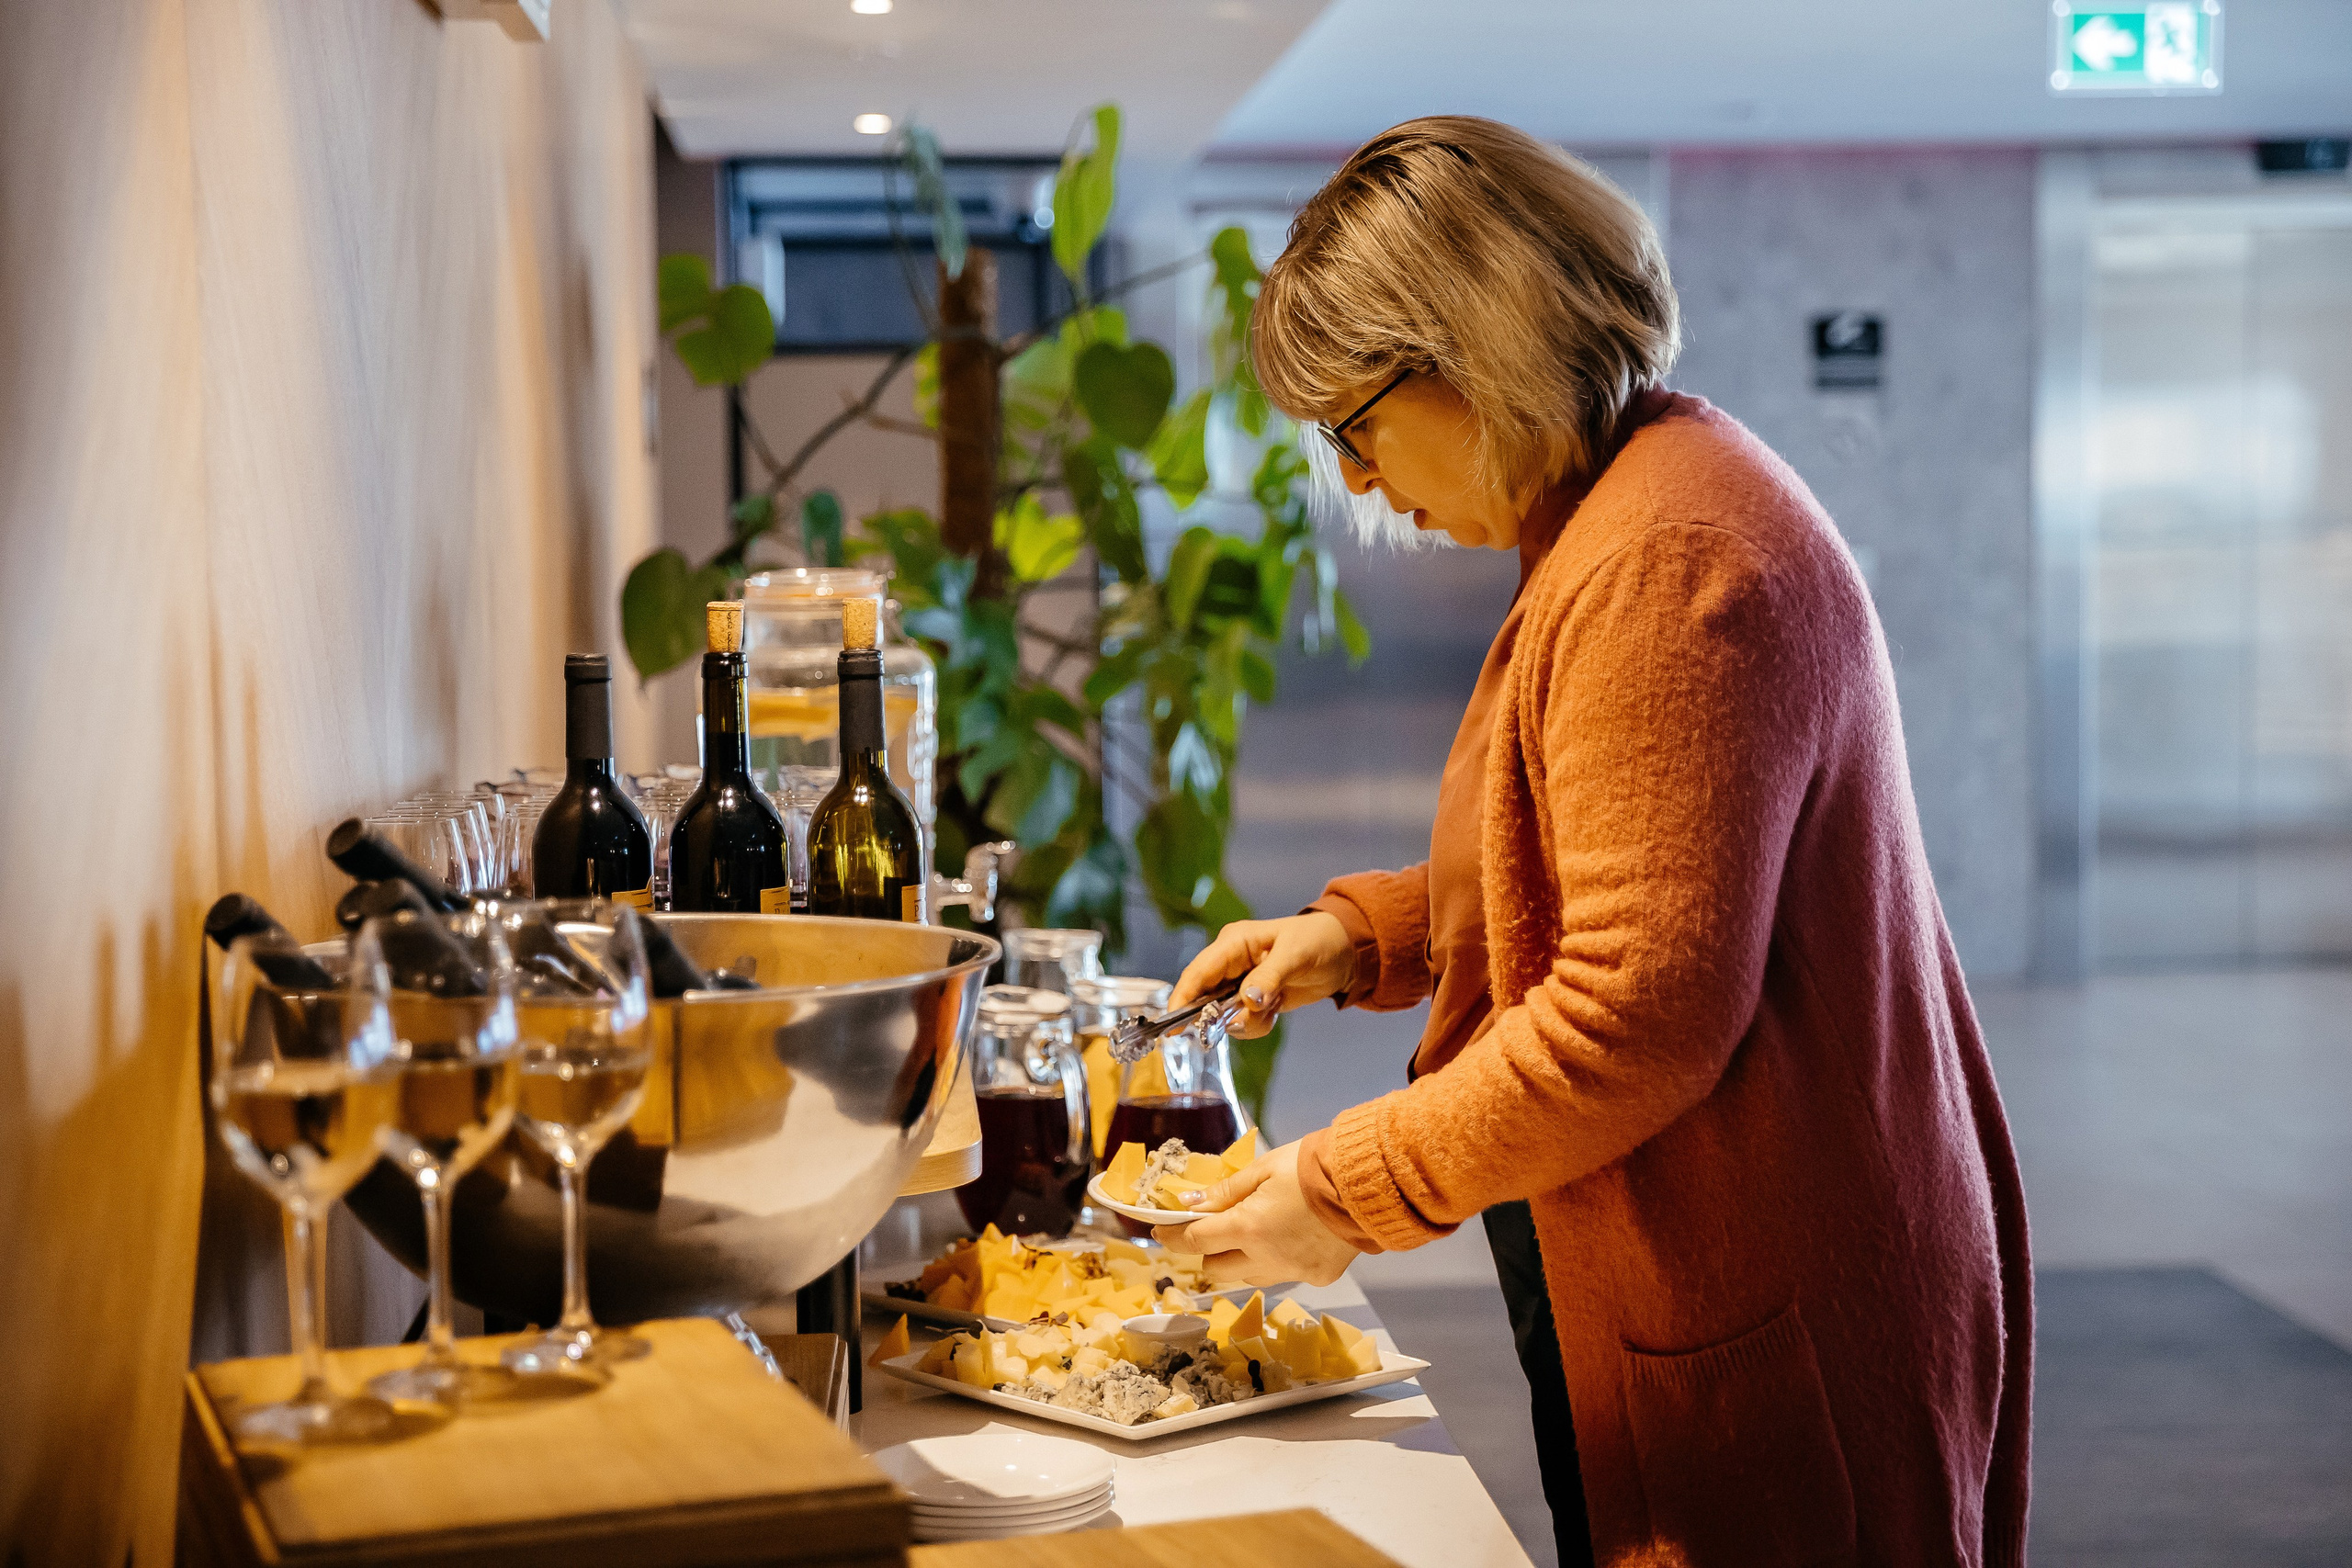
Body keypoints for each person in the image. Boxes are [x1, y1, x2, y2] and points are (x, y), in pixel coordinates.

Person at [1154, 117, 2032, 1568]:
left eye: (1356, 423)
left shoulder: (1664, 557)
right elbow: (1615, 848)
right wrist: (1360, 937)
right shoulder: (1633, 502)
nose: (1357, 477)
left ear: (1467, 344)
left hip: (1771, 1286)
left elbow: (1637, 1016)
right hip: (1719, 1251)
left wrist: (1340, 1190)